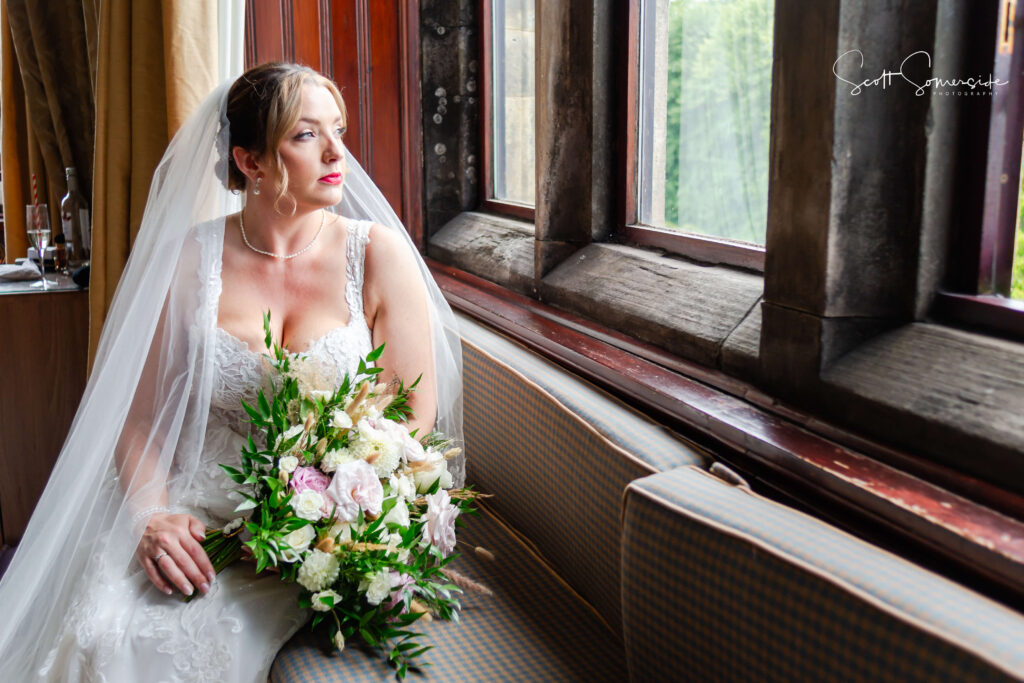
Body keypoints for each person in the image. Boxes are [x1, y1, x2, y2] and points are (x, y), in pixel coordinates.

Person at [0, 63, 464, 682]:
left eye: (339, 130)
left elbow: (410, 419)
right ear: (251, 162)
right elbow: (139, 422)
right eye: (306, 136)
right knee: (110, 633)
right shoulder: (190, 260)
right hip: (200, 504)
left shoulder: (377, 255)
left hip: (324, 525)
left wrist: (324, 521)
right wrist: (151, 518)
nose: (337, 153)